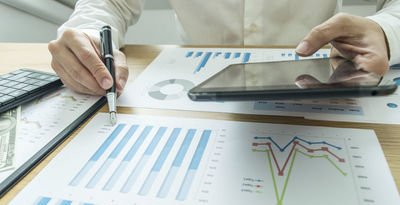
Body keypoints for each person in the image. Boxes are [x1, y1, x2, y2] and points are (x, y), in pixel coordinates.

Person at [48, 0, 400, 96]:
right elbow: (111, 3)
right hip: (193, 85)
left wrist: (385, 31)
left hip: (321, 82)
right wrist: (89, 34)